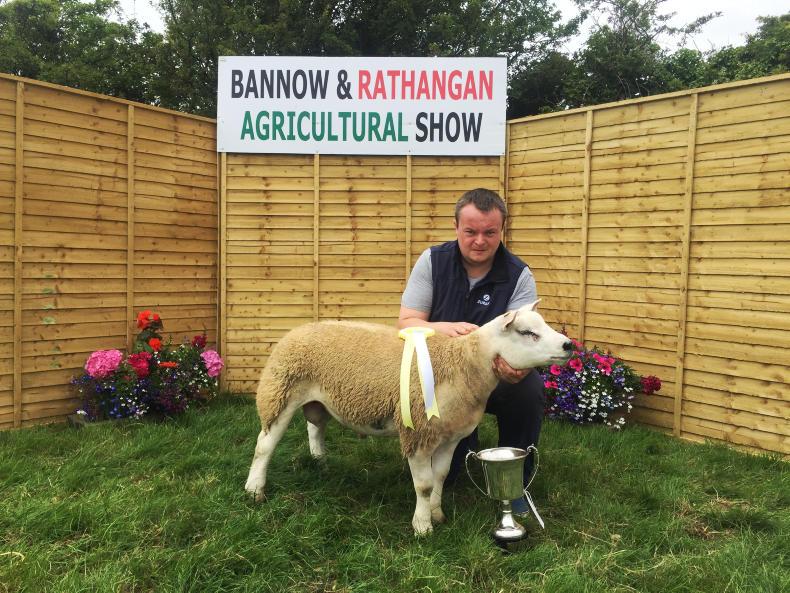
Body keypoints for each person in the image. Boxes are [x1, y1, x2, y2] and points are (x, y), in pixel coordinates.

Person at [398, 188, 544, 516]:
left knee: (529, 388)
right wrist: (441, 328)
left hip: (494, 375)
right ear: (456, 227)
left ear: (502, 230)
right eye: (470, 231)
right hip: (441, 381)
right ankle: (463, 443)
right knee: (446, 478)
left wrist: (516, 368)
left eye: (490, 232)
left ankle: (515, 478)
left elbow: (525, 335)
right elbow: (406, 323)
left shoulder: (519, 274)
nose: (480, 240)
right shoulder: (432, 261)